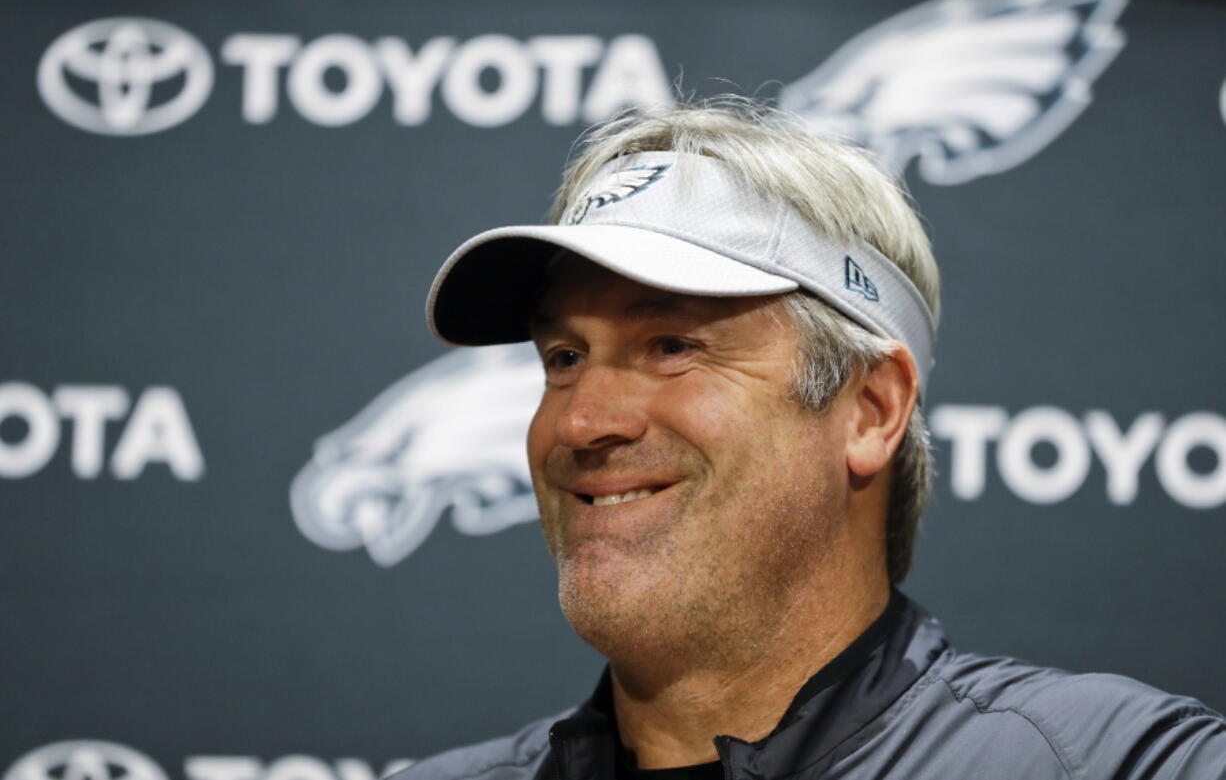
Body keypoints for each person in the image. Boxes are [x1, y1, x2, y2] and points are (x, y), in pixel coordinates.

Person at [394, 101, 1226, 780]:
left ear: (870, 408)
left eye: (673, 346)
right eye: (564, 358)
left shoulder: (1115, 762)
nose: (581, 421)